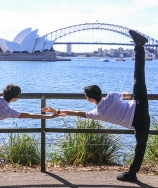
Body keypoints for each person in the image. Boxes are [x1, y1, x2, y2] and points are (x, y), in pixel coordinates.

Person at [42, 30, 150, 182]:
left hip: (139, 121)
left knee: (140, 146)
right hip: (140, 105)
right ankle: (139, 45)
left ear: (91, 99)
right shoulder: (112, 96)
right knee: (138, 75)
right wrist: (129, 95)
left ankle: (132, 173)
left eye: (86, 97)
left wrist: (58, 111)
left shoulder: (98, 113)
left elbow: (78, 113)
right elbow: (126, 95)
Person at [0, 29, 62, 183]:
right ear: (14, 98)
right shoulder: (8, 110)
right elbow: (30, 115)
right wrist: (49, 116)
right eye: (18, 97)